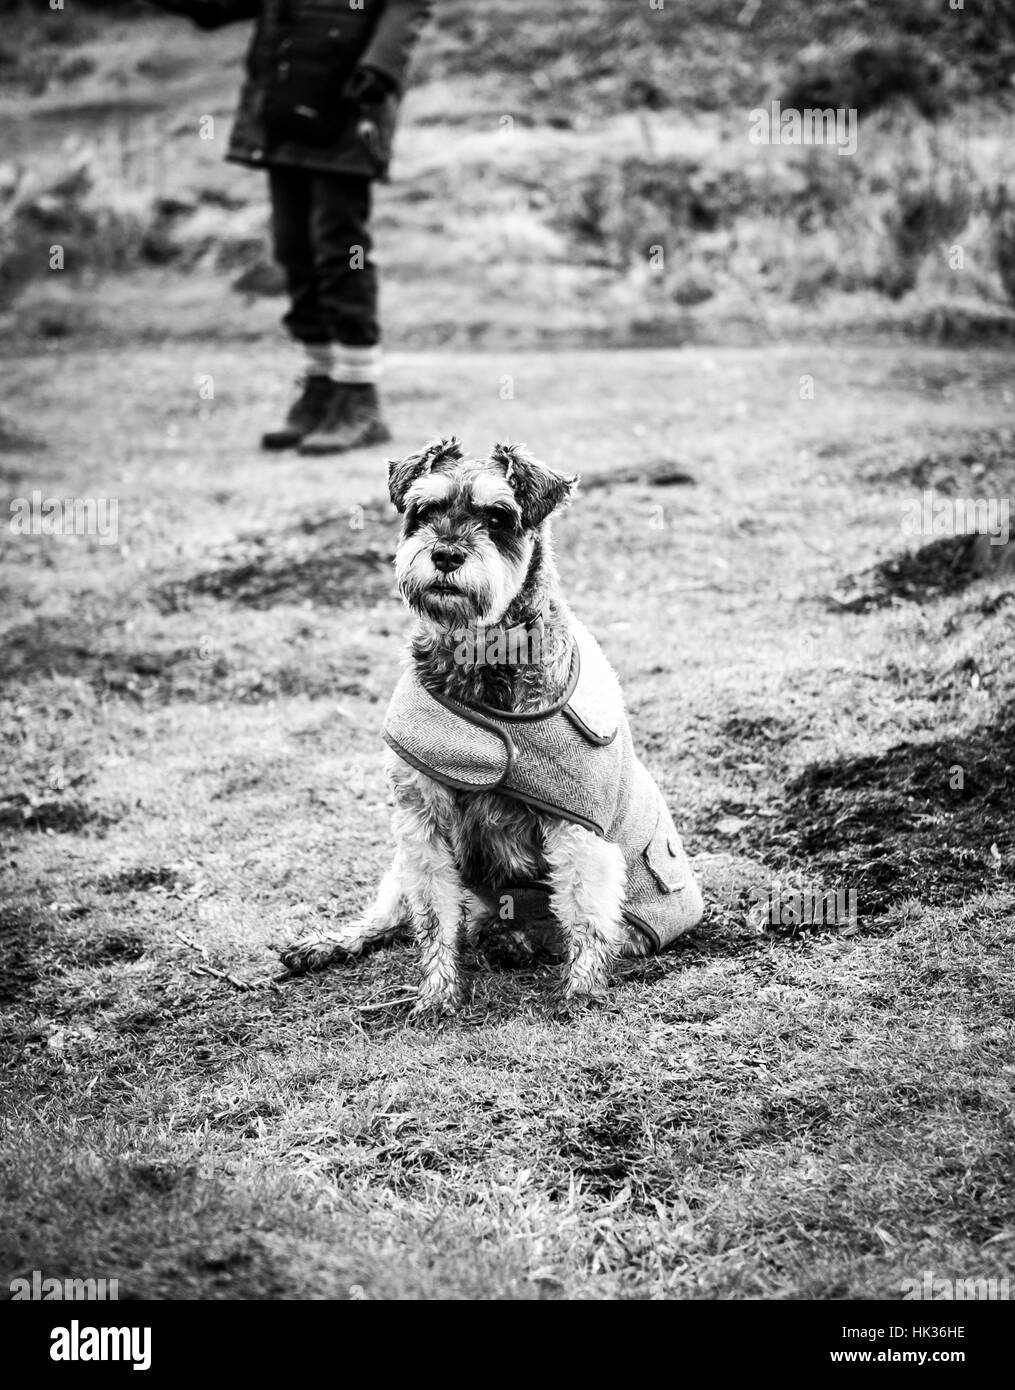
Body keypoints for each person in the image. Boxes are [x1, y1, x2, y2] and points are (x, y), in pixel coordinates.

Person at [146, 0, 433, 453]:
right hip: (284, 104)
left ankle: (359, 399)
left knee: (339, 251)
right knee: (293, 249)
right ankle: (319, 389)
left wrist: (381, 67)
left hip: (350, 104)